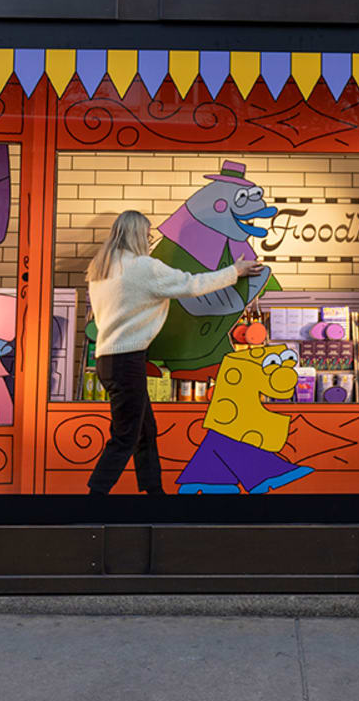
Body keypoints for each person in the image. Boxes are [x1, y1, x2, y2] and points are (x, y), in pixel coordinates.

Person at [84, 209, 266, 495]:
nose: (149, 239)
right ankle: (94, 497)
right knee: (126, 436)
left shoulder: (102, 268)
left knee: (144, 431)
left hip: (108, 360)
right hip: (127, 360)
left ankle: (154, 492)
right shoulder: (143, 267)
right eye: (146, 234)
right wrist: (236, 271)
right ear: (136, 236)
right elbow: (193, 285)